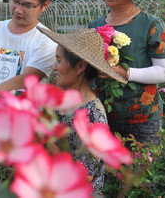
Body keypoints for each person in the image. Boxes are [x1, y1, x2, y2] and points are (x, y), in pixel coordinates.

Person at [80, 0, 165, 145]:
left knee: (139, 173)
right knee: (104, 172)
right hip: (102, 114)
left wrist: (125, 72)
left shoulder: (152, 25)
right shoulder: (96, 25)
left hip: (142, 120)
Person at [38, 27, 127, 194]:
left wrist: (45, 142)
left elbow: (85, 175)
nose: (54, 67)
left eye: (59, 60)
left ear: (80, 67)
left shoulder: (94, 116)